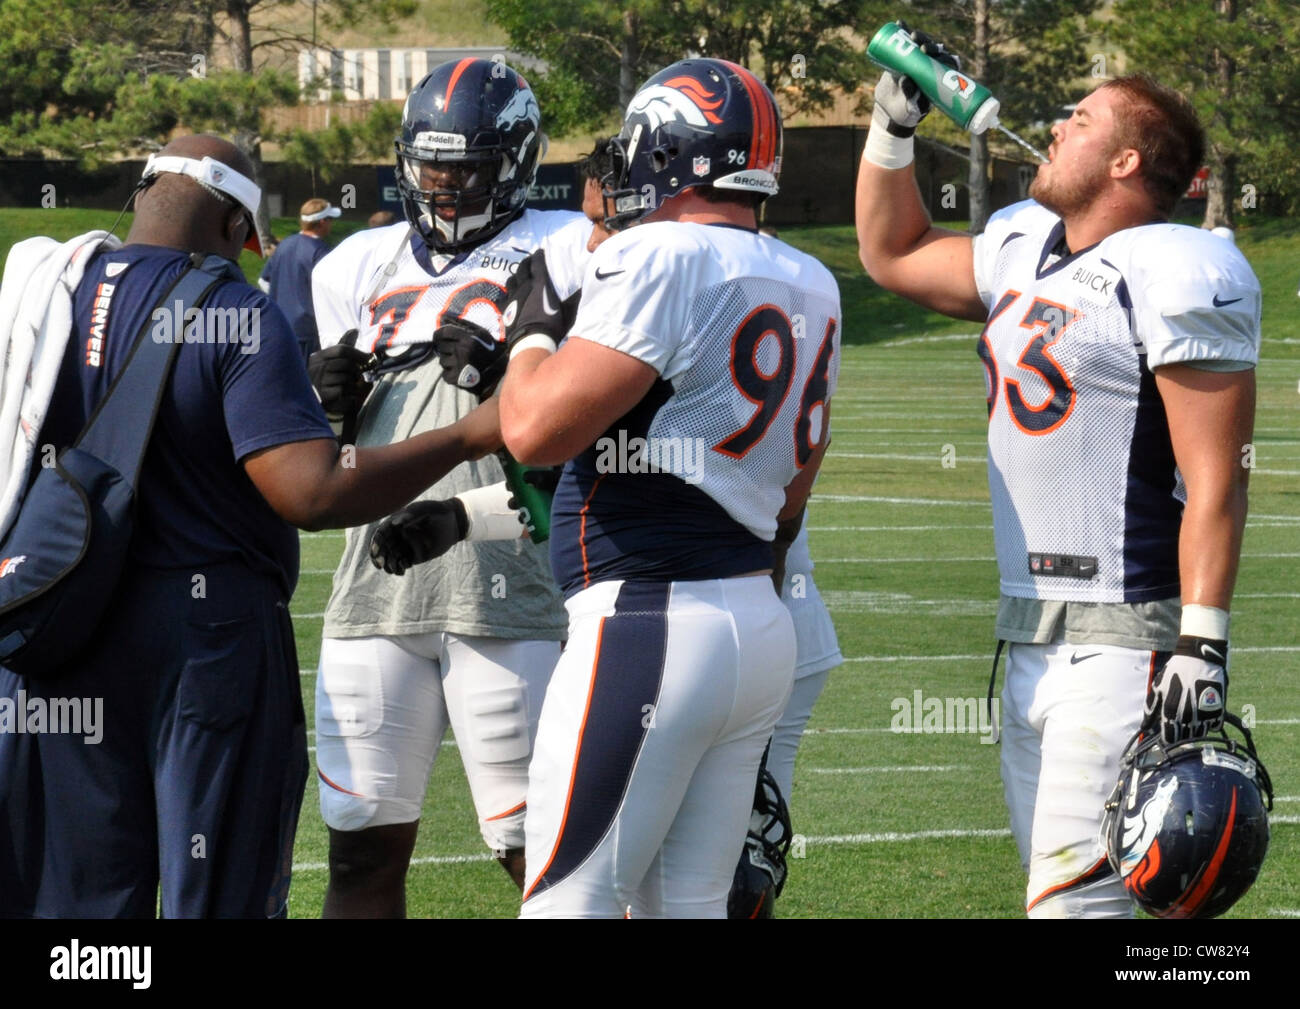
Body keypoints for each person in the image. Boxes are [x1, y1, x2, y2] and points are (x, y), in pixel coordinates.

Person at [0, 134, 502, 918]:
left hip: (60, 620)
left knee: (83, 909)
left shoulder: (46, 287)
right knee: (217, 893)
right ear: (236, 226)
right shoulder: (233, 307)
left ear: (142, 196)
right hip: (204, 643)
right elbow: (309, 491)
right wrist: (472, 433)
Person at [856, 28, 1260, 918]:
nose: (1055, 126)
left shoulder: (1178, 264)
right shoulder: (1024, 242)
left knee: (1075, 912)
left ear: (1124, 160)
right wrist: (892, 132)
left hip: (1128, 637)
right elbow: (891, 253)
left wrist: (1202, 643)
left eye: (1079, 119)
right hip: (1030, 634)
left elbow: (1218, 477)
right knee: (1092, 911)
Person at [490, 57, 841, 918]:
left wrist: (532, 327)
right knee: (686, 906)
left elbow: (532, 429)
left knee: (569, 901)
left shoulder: (660, 253)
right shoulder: (811, 277)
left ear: (668, 151)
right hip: (755, 628)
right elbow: (793, 494)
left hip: (646, 623)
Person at [307, 58, 591, 917]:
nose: (446, 183)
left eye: (467, 166)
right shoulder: (352, 264)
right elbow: (336, 460)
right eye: (432, 165)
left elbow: (587, 426)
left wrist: (515, 365)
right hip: (374, 587)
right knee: (358, 853)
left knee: (536, 850)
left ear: (516, 160)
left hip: (511, 584)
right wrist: (331, 411)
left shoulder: (570, 244)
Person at [258, 197, 342, 360]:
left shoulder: (285, 245)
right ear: (322, 221)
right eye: (330, 219)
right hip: (309, 333)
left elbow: (264, 281)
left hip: (280, 327)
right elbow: (334, 292)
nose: (331, 223)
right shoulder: (320, 251)